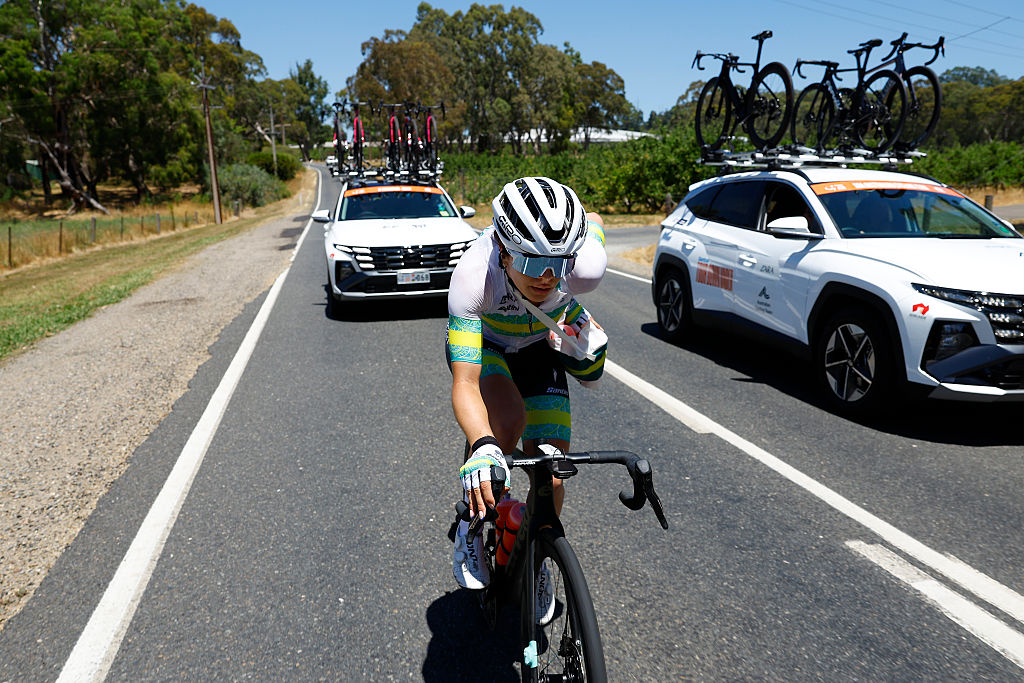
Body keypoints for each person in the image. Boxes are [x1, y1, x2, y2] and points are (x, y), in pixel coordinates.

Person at [445, 177, 608, 600]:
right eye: (534, 264)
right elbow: (464, 382)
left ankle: (538, 554)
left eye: (560, 261)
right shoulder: (473, 277)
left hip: (539, 345)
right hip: (491, 345)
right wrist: (482, 444)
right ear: (502, 248)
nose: (549, 277)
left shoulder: (585, 267)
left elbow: (595, 222)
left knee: (550, 474)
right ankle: (471, 519)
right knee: (508, 423)